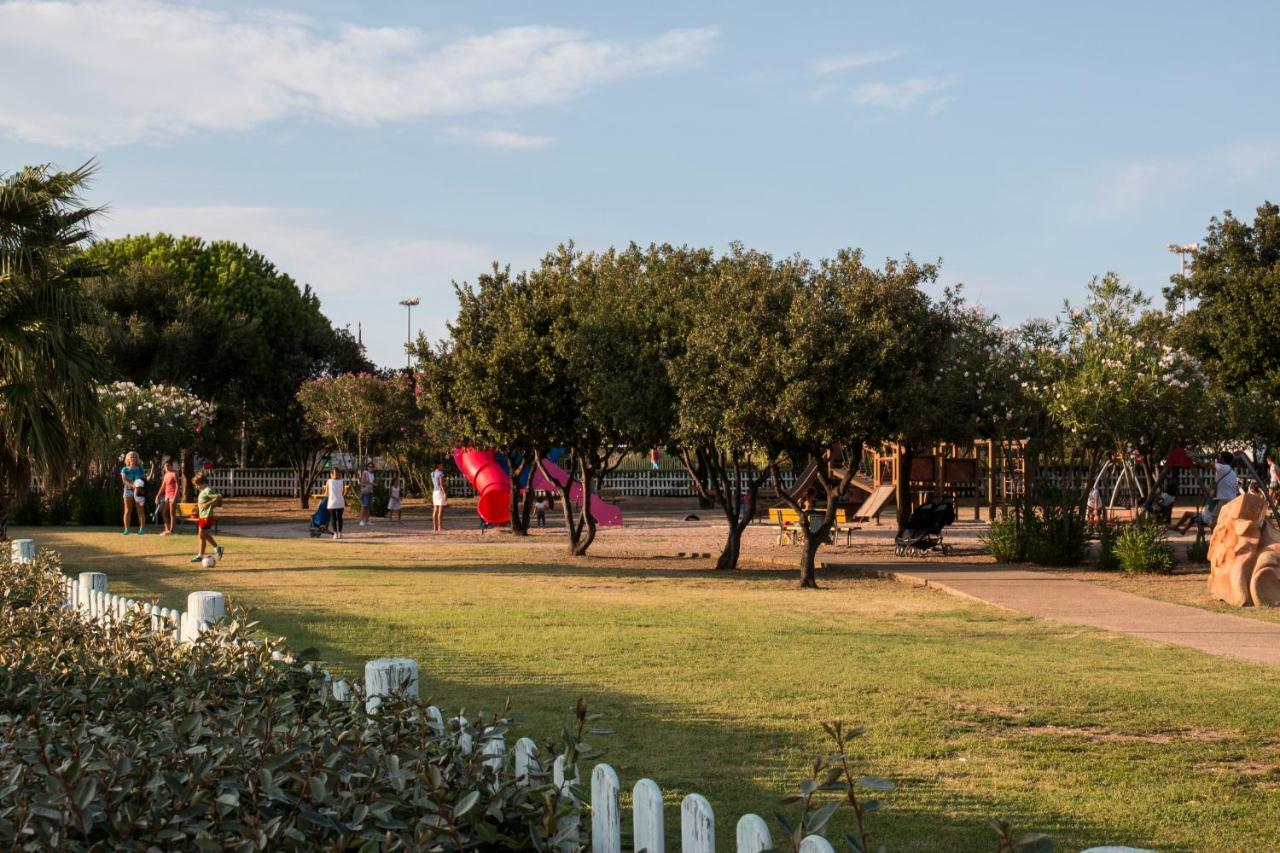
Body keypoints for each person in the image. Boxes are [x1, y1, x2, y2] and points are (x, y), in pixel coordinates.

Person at [189, 473, 223, 563]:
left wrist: (208, 504)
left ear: (202, 483)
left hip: (207, 516)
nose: (196, 487)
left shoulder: (208, 490)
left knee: (203, 534)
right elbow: (203, 502)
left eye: (197, 485)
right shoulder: (203, 491)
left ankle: (217, 547)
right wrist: (197, 508)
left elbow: (219, 497)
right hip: (202, 516)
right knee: (201, 535)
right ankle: (201, 555)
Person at [119, 450, 146, 535]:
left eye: (134, 456)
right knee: (127, 510)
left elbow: (144, 479)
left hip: (139, 491)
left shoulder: (140, 469)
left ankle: (141, 529)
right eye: (131, 456)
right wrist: (132, 485)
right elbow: (124, 480)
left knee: (140, 510)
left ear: (137, 458)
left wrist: (139, 486)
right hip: (128, 491)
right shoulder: (125, 469)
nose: (133, 458)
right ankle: (126, 529)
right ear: (128, 458)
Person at [157, 458, 179, 535]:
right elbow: (163, 486)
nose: (166, 467)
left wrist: (175, 497)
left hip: (173, 495)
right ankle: (167, 528)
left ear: (171, 466)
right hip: (167, 495)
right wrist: (158, 496)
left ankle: (172, 530)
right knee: (163, 512)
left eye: (168, 465)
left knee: (172, 513)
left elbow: (177, 486)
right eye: (165, 466)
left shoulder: (174, 473)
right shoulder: (166, 475)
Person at [326, 467, 346, 539]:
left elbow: (326, 493)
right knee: (339, 517)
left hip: (332, 501)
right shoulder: (342, 481)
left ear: (331, 474)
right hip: (340, 501)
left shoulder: (329, 481)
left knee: (333, 518)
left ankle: (335, 533)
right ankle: (340, 533)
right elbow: (343, 491)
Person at [431, 461, 447, 532]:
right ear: (438, 465)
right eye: (441, 465)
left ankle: (435, 527)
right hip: (440, 491)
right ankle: (440, 527)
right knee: (440, 510)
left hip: (434, 492)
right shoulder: (441, 473)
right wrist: (445, 493)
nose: (442, 466)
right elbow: (441, 484)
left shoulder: (432, 473)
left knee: (435, 509)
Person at [358, 462, 376, 526]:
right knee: (364, 505)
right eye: (369, 466)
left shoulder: (372, 474)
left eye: (372, 467)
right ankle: (362, 520)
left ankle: (367, 520)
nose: (370, 468)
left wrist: (373, 484)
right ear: (367, 467)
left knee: (368, 506)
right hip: (365, 491)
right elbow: (363, 481)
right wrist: (371, 483)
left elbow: (372, 482)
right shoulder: (365, 472)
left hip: (370, 491)